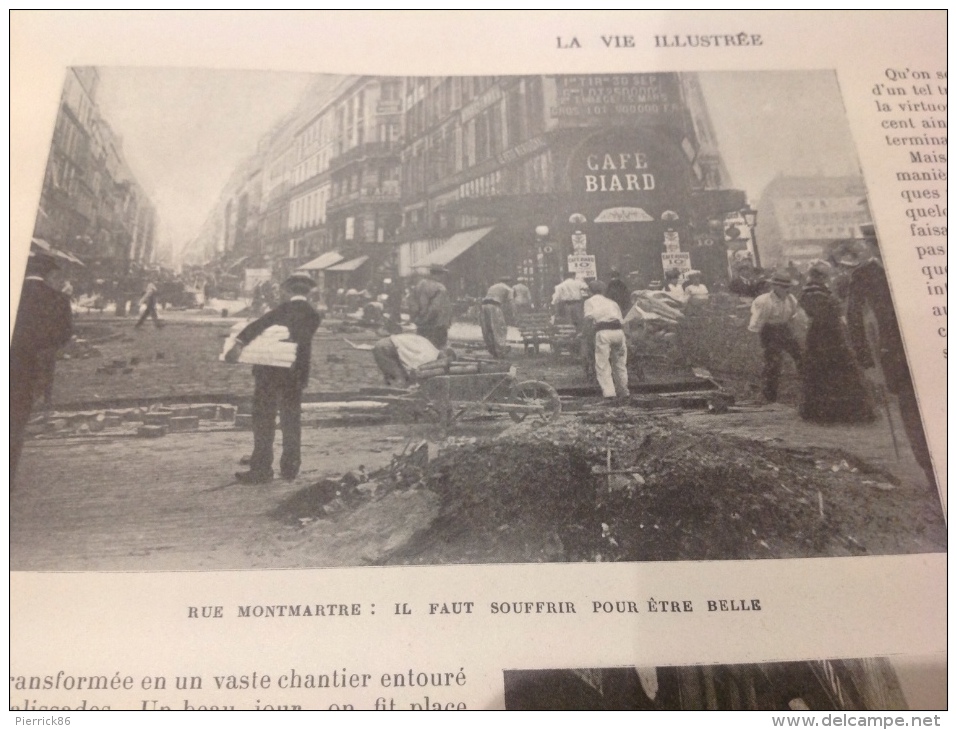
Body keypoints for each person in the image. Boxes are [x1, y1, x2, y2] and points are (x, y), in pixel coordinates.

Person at [844, 237, 937, 491]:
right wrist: (865, 358)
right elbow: (853, 317)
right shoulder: (864, 274)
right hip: (894, 353)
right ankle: (933, 472)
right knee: (912, 410)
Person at [224, 274, 323, 484]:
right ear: (308, 292)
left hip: (269, 373)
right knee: (291, 420)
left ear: (287, 291)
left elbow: (256, 326)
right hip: (296, 374)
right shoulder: (314, 315)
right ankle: (290, 468)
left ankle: (261, 469)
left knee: (263, 420)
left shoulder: (282, 310)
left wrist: (238, 345)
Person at [11, 253, 74, 479]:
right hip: (30, 369)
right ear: (47, 273)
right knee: (15, 421)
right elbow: (64, 336)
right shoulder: (57, 299)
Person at [798, 261, 874, 424]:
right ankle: (836, 412)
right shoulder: (814, 292)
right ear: (820, 276)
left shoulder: (814, 291)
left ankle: (831, 412)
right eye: (825, 275)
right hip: (825, 333)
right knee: (833, 369)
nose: (828, 278)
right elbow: (821, 313)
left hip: (824, 333)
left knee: (827, 370)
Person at [748, 271, 802, 403]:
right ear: (775, 287)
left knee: (801, 355)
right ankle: (769, 396)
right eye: (784, 287)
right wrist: (757, 343)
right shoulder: (764, 302)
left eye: (789, 287)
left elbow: (794, 317)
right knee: (773, 362)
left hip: (784, 328)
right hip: (769, 330)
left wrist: (795, 333)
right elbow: (756, 324)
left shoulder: (791, 299)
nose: (787, 290)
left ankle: (807, 389)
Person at [583, 279, 629, 400]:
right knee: (620, 363)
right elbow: (621, 320)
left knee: (603, 364)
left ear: (590, 291)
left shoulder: (589, 301)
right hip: (618, 332)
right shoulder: (612, 302)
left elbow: (588, 318)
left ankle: (609, 393)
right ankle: (623, 390)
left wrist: (585, 333)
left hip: (604, 332)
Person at [372, 332, 443, 387]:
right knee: (399, 380)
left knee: (392, 378)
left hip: (387, 344)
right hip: (387, 347)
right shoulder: (430, 356)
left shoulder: (430, 347)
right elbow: (415, 370)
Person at [409, 265, 453, 348]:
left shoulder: (419, 284)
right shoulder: (440, 288)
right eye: (443, 274)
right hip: (437, 325)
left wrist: (417, 318)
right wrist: (428, 319)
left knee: (422, 348)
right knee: (436, 349)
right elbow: (435, 308)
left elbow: (412, 303)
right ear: (439, 274)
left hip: (421, 324)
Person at [479, 276, 514, 358]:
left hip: (484, 306)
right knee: (499, 328)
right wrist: (514, 313)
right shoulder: (509, 289)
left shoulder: (492, 287)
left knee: (487, 328)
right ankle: (500, 350)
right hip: (494, 306)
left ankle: (492, 349)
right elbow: (511, 302)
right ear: (509, 282)